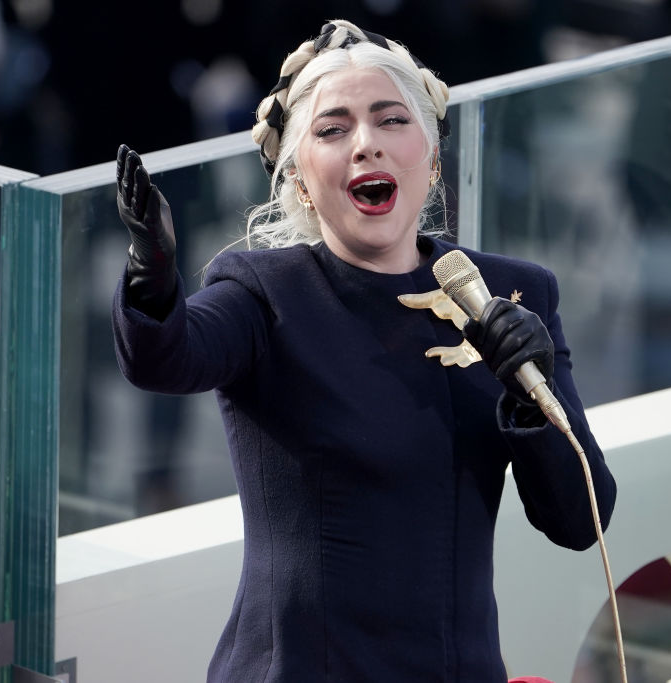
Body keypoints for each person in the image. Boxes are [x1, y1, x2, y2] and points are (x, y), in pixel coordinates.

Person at [112, 19, 616, 682]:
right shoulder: (262, 292)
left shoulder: (516, 294)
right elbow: (165, 357)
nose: (365, 145)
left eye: (390, 120)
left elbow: (581, 520)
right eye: (333, 129)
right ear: (299, 180)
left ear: (432, 156)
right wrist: (151, 275)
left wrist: (530, 399)